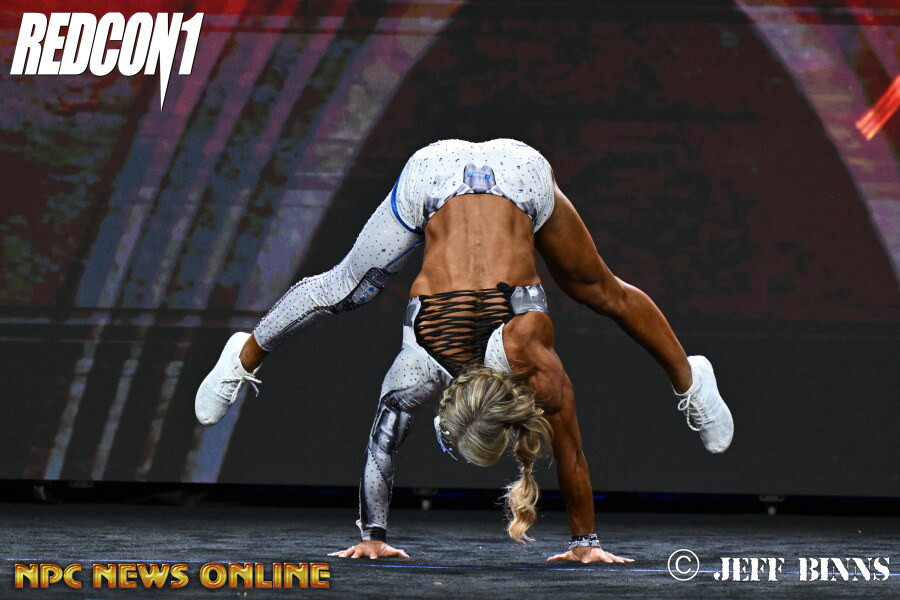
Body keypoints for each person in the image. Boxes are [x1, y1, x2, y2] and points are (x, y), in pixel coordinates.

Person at [195, 138, 733, 563]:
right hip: (481, 175)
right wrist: (584, 540)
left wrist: (585, 541)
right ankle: (240, 358)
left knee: (600, 290)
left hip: (495, 174)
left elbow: (568, 449)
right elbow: (383, 448)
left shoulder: (514, 361)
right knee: (347, 288)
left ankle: (692, 379)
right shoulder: (489, 362)